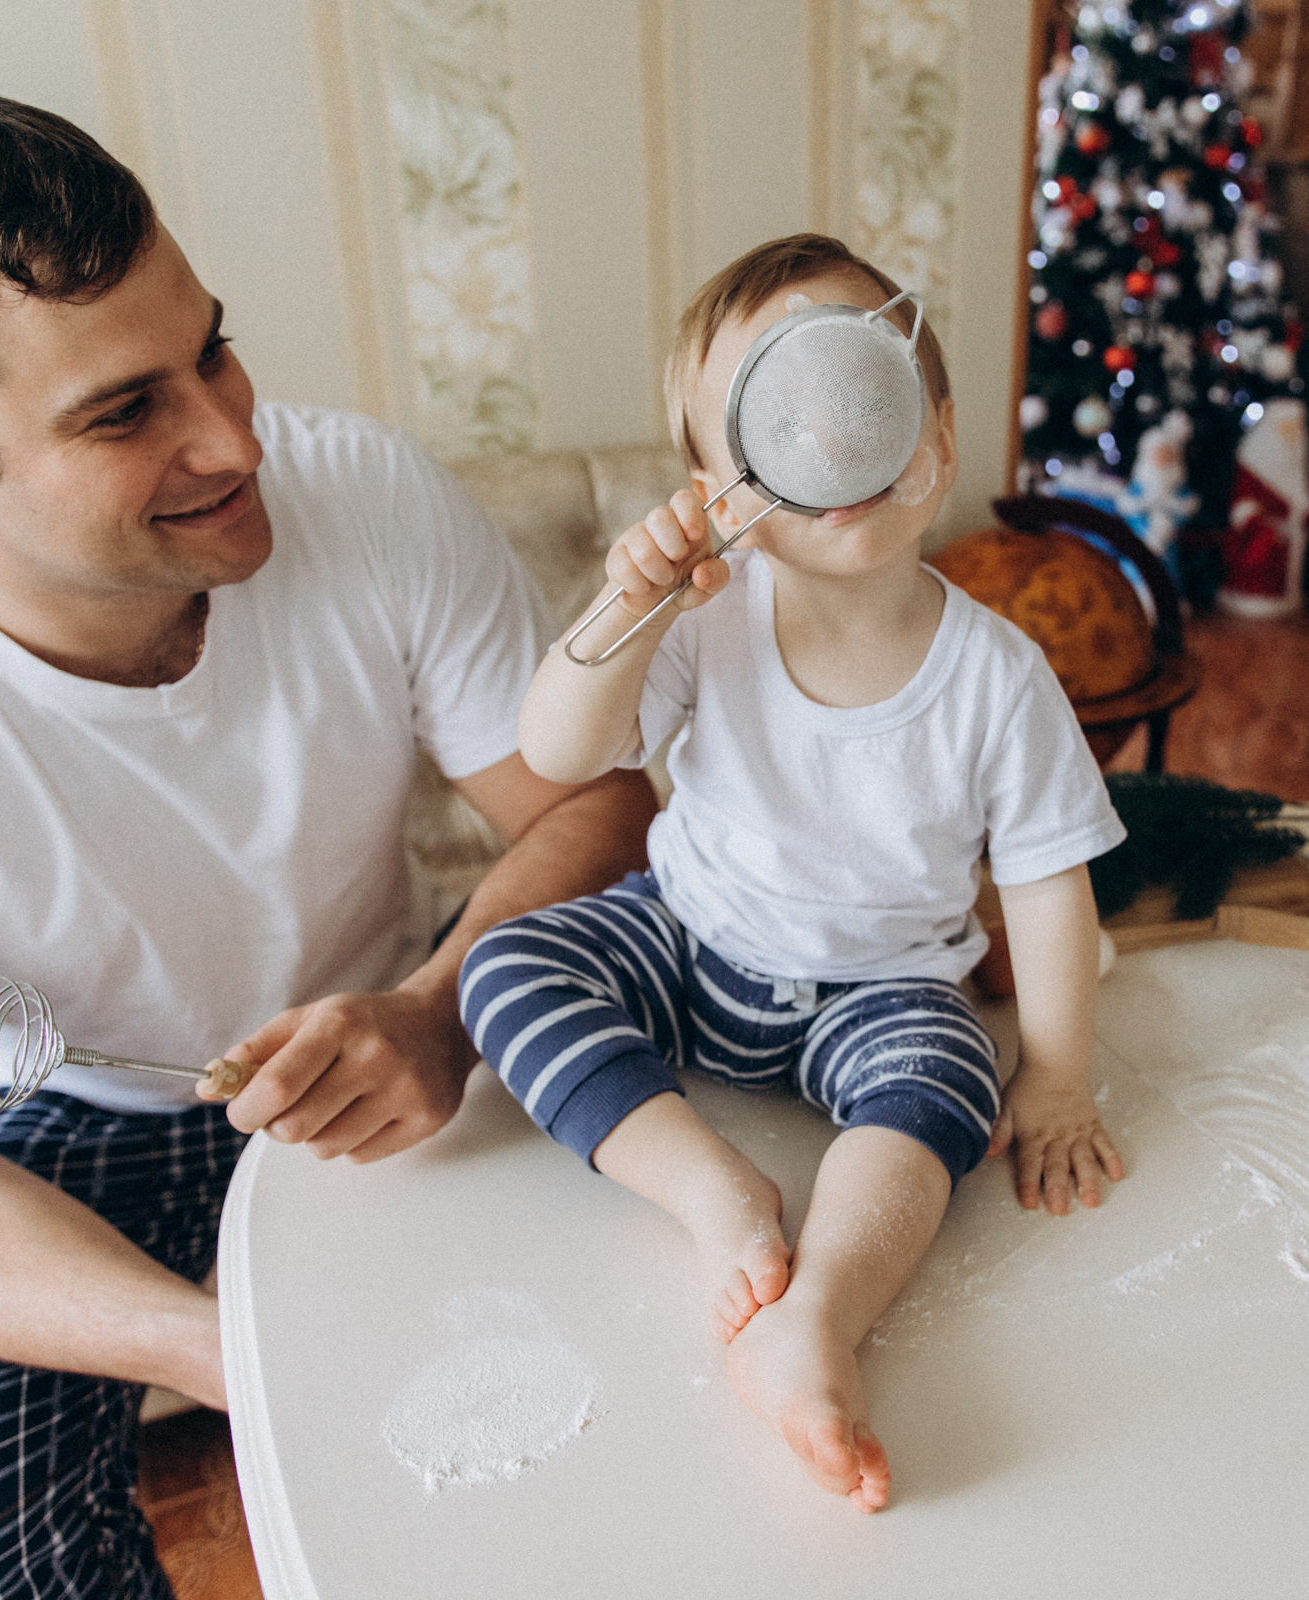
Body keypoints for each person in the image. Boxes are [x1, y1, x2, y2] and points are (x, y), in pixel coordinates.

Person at [0, 85, 655, 1597]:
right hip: (50, 1121)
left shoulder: (370, 493)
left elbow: (597, 802)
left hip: (395, 1027)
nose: (233, 435)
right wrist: (223, 1347)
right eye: (125, 410)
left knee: (657, 1393)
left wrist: (441, 1006)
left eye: (209, 344)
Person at [458, 234, 1128, 1513]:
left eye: (857, 396)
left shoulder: (997, 675)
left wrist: (1056, 1074)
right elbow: (557, 749)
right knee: (505, 965)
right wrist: (628, 605)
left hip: (882, 985)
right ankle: (714, 1191)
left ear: (932, 439)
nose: (827, 440)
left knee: (946, 1085)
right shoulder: (704, 623)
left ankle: (815, 1313)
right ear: (720, 488)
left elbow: (1047, 883)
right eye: (780, 421)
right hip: (689, 934)